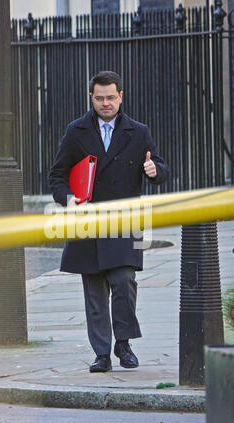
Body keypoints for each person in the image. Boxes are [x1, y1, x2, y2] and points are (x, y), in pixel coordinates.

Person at [48, 71, 169, 373]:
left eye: (111, 97)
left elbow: (162, 166)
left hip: (125, 221)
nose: (105, 103)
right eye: (99, 98)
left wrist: (156, 170)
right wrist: (67, 199)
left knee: (124, 281)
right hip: (86, 220)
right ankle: (101, 353)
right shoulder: (76, 131)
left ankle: (123, 344)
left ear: (120, 96)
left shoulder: (138, 132)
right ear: (91, 97)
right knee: (95, 291)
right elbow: (57, 176)